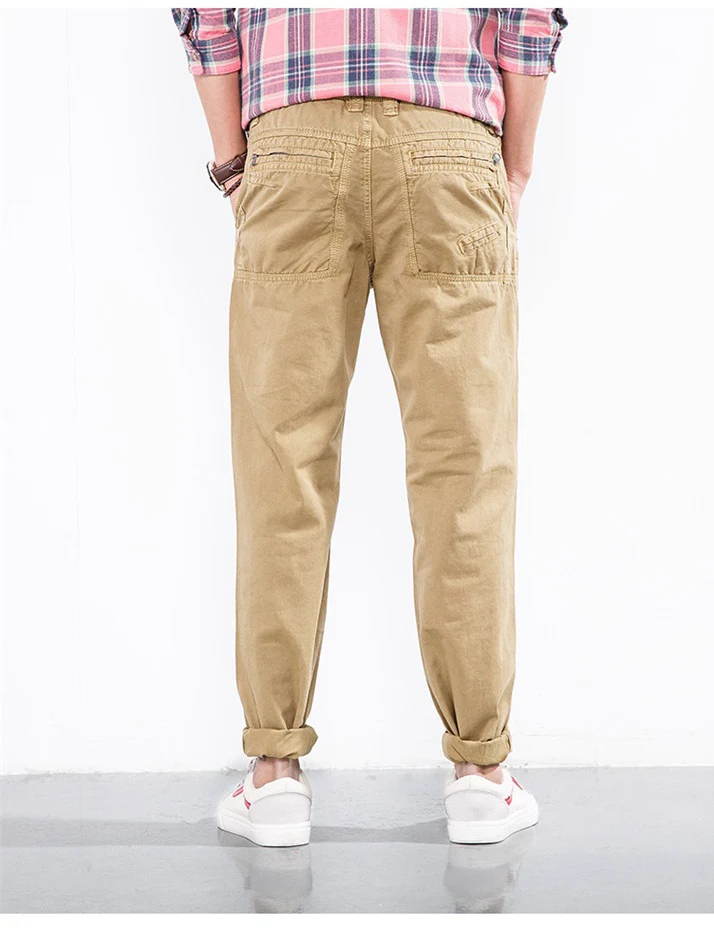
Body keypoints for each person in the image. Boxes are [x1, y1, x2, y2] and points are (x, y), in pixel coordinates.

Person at [173, 7, 566, 847]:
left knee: (281, 469)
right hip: (449, 138)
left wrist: (235, 163)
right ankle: (480, 775)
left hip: (292, 140)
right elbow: (528, 18)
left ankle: (274, 773)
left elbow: (207, 17)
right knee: (465, 470)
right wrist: (517, 166)